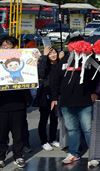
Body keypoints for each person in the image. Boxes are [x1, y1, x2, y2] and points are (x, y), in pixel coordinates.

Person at [50, 36, 100, 166]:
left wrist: (94, 92)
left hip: (84, 102)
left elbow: (96, 77)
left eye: (77, 44)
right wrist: (55, 98)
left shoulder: (89, 59)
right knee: (72, 130)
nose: (74, 47)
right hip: (66, 102)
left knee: (88, 129)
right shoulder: (64, 61)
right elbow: (55, 80)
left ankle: (94, 155)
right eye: (71, 44)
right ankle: (73, 153)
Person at [0, 38, 29, 168]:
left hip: (18, 104)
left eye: (9, 45)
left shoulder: (23, 59)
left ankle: (18, 156)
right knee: (1, 134)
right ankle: (1, 156)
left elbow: (32, 73)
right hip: (1, 105)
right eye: (3, 45)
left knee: (18, 134)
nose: (5, 47)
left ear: (15, 47)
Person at [36, 46, 61, 151]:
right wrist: (44, 56)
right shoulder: (44, 65)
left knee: (54, 118)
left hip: (57, 96)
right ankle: (44, 141)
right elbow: (40, 73)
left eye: (54, 52)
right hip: (45, 95)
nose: (53, 55)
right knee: (44, 119)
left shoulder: (60, 65)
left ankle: (52, 139)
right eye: (50, 53)